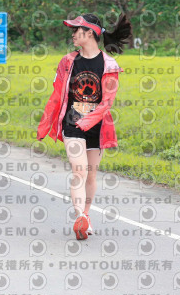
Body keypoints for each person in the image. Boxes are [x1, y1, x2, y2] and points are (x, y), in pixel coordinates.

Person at [37, 13, 132, 240]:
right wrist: (45, 123)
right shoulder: (67, 61)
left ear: (90, 33)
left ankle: (86, 215)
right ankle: (79, 216)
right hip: (72, 123)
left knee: (91, 175)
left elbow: (107, 102)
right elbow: (57, 95)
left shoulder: (109, 65)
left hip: (97, 126)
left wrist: (89, 120)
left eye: (76, 30)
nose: (72, 34)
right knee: (79, 171)